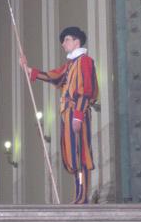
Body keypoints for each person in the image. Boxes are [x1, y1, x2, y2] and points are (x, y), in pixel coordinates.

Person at [20, 26, 98, 204]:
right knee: (72, 156)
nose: (63, 44)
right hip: (67, 114)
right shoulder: (70, 65)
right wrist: (28, 69)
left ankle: (83, 196)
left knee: (81, 154)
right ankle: (78, 194)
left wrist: (78, 115)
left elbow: (86, 90)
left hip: (77, 112)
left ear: (77, 41)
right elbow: (53, 76)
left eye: (67, 40)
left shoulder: (85, 62)